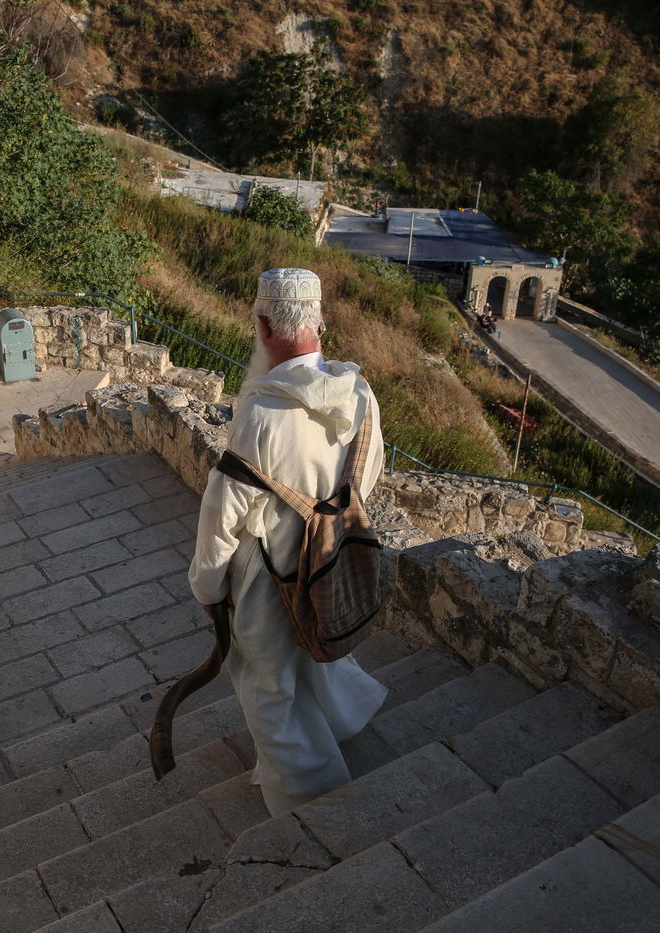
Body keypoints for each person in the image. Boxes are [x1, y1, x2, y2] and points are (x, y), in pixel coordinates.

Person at [188, 267, 387, 816]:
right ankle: (345, 721)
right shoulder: (359, 392)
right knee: (312, 654)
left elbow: (221, 515)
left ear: (267, 326)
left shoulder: (263, 412)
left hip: (269, 572)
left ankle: (309, 798)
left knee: (269, 684)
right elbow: (369, 473)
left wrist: (208, 584)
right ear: (318, 324)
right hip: (332, 556)